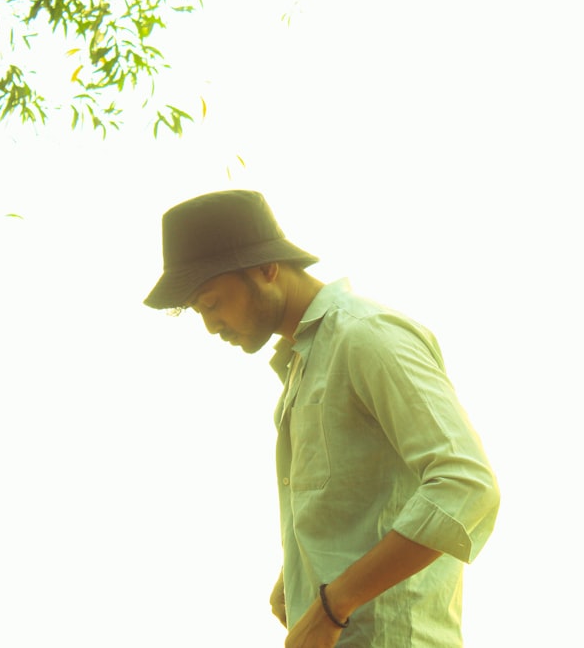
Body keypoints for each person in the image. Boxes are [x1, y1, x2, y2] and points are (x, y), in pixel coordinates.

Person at [144, 190, 500, 648]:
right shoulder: (305, 362)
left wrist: (333, 605)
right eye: (200, 313)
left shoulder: (365, 336)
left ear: (266, 269)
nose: (211, 326)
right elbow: (359, 501)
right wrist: (303, 573)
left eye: (213, 304)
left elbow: (466, 484)